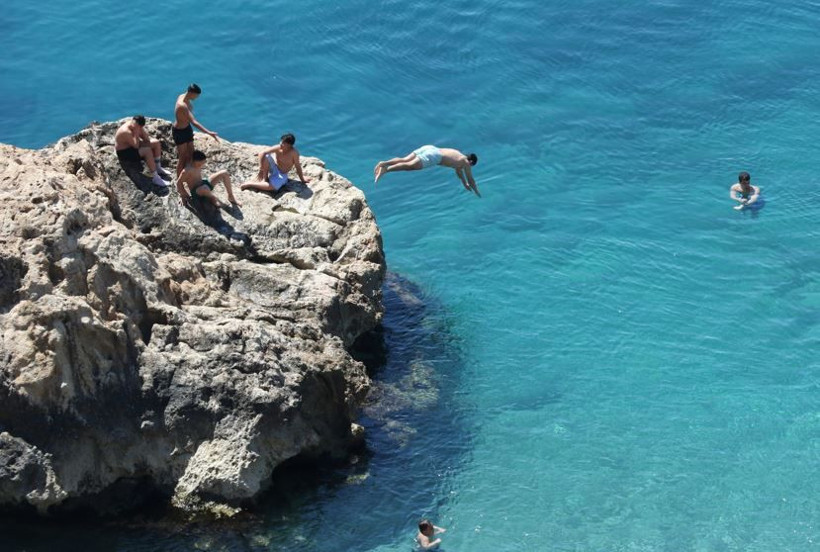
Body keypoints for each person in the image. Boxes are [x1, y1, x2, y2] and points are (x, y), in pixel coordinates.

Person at [374, 146, 480, 196]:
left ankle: (384, 163)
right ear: (471, 162)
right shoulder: (466, 163)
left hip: (430, 148)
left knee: (405, 159)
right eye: (471, 165)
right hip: (434, 156)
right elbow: (471, 179)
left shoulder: (459, 156)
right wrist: (476, 191)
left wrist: (464, 183)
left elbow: (459, 172)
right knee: (410, 166)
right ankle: (386, 170)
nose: (469, 167)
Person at [173, 83, 219, 178]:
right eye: (196, 95)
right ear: (190, 92)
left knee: (191, 153)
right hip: (179, 132)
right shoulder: (182, 105)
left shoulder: (183, 96)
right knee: (182, 157)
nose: (196, 98)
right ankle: (178, 181)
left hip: (187, 129)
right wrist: (209, 132)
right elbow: (194, 122)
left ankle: (189, 175)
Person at [240, 133, 310, 193]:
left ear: (289, 145)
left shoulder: (294, 153)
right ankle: (265, 179)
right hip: (274, 168)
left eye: (283, 143)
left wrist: (302, 179)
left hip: (282, 174)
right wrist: (261, 169)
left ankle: (250, 184)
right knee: (266, 156)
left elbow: (298, 167)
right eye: (281, 141)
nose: (280, 144)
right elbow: (262, 153)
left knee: (273, 187)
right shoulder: (278, 147)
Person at [114, 115, 171, 187]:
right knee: (147, 150)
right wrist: (136, 132)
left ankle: (158, 167)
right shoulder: (126, 131)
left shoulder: (137, 126)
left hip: (132, 146)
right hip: (124, 152)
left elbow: (146, 139)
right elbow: (136, 146)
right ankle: (155, 177)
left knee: (156, 142)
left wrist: (141, 130)